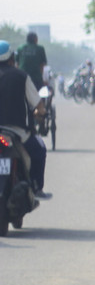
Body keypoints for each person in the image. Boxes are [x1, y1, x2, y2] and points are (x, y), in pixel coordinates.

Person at [0, 40, 50, 198]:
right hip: (17, 131)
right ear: (11, 58)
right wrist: (40, 112)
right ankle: (36, 188)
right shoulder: (21, 76)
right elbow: (38, 104)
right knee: (40, 150)